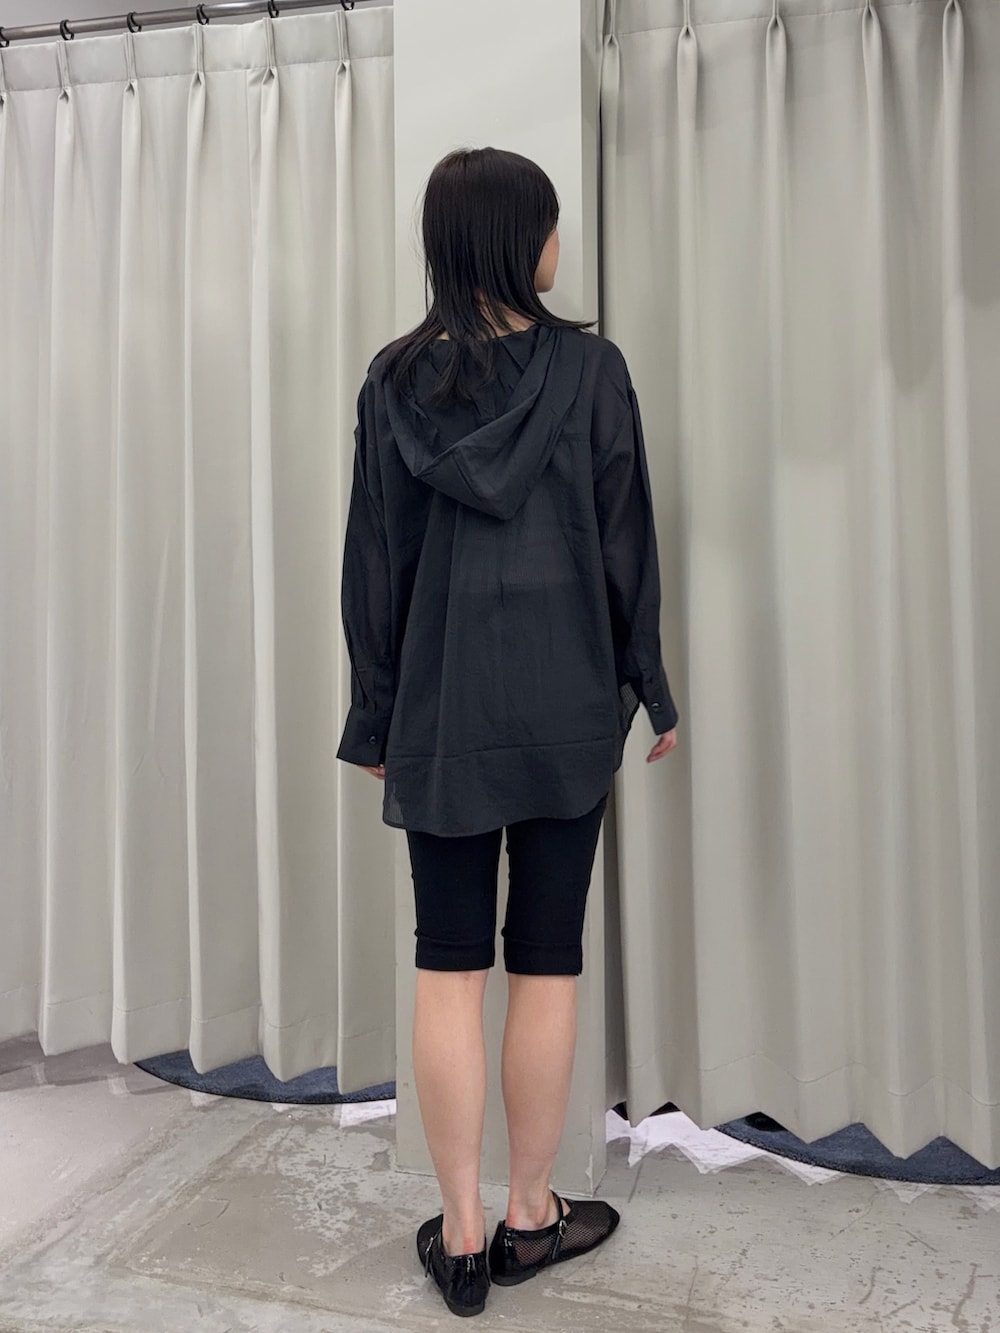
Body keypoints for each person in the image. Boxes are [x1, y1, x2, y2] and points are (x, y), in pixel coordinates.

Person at [336, 146, 679, 1318]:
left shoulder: (393, 382)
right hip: (566, 706)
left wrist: (374, 713)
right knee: (545, 958)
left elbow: (372, 565)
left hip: (440, 715)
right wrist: (648, 683)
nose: (556, 245)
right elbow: (624, 537)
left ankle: (462, 1234)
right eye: (548, 225)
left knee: (448, 966)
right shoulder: (591, 371)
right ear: (517, 239)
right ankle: (532, 1213)